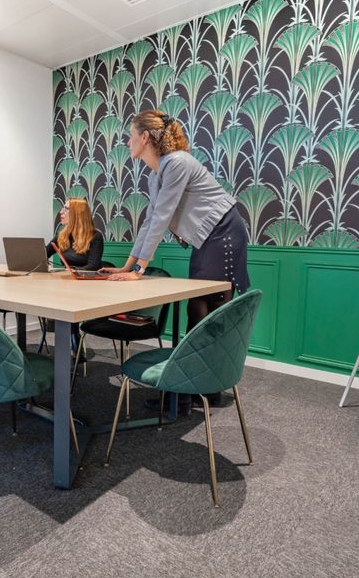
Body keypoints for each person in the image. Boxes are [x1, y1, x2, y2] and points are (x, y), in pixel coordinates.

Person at [103, 109, 250, 411]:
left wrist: (140, 268)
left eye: (131, 136)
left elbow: (163, 216)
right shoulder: (155, 175)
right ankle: (199, 388)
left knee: (206, 311)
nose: (128, 142)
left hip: (223, 232)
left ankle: (194, 389)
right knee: (200, 309)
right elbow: (149, 220)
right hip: (209, 236)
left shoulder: (177, 162)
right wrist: (129, 266)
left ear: (145, 137)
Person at [45, 198, 104, 358]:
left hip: (86, 289)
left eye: (66, 209)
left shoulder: (95, 236)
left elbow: (93, 266)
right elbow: (43, 253)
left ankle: (71, 342)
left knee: (62, 302)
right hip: (66, 287)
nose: (61, 212)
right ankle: (70, 342)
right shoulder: (62, 235)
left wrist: (70, 272)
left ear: (77, 214)